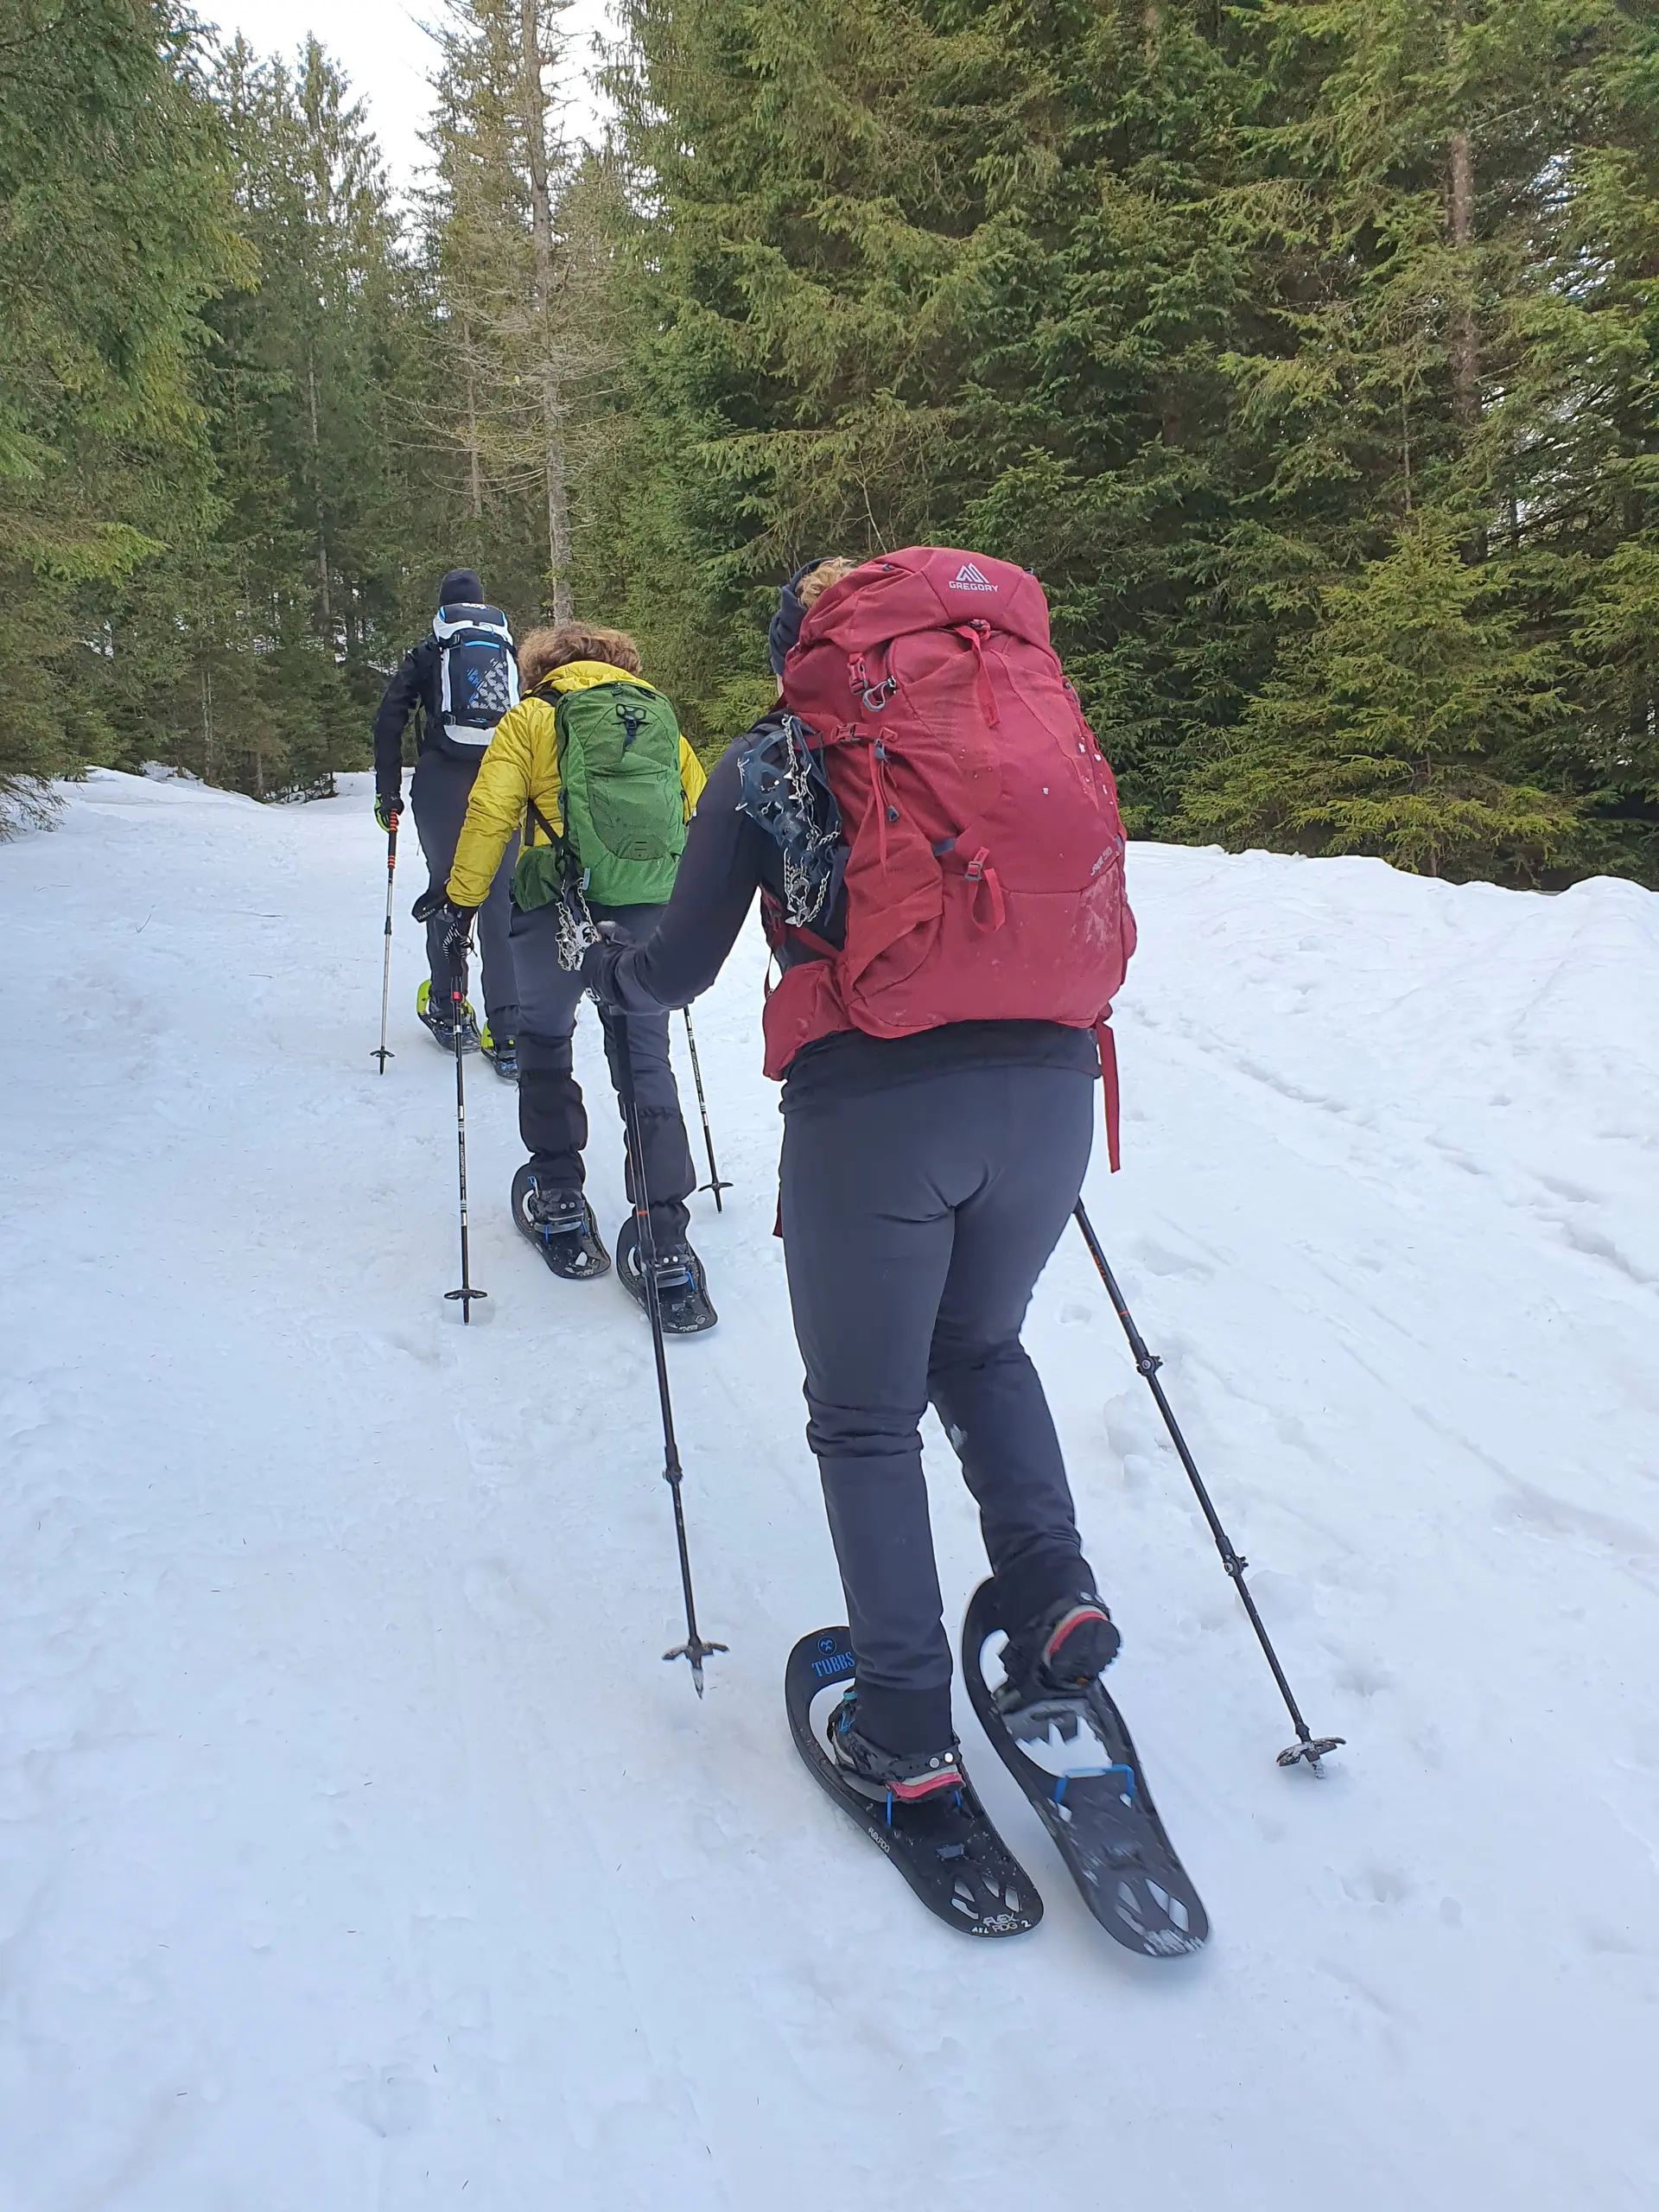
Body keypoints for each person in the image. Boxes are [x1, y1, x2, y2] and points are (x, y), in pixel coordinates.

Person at [579, 549, 1135, 1804]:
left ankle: (903, 1725)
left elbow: (676, 971)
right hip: (1051, 1086)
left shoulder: (773, 757)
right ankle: (1053, 1593)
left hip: (878, 1106)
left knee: (866, 1415)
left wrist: (608, 977)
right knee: (981, 1349)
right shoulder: (1008, 717)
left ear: (802, 655)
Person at [428, 620, 717, 1333]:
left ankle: (558, 1195)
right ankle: (665, 1238)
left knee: (544, 1043)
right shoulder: (656, 717)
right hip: (649, 913)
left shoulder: (530, 718)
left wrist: (459, 905)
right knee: (646, 1064)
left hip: (555, 908)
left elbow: (490, 814)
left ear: (540, 668)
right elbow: (701, 811)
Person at [372, 568, 522, 1077]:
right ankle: (507, 1034)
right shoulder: (508, 650)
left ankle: (449, 1006)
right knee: (502, 898)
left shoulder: (428, 652)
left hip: (441, 784)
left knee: (450, 891)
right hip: (503, 781)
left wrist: (388, 792)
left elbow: (388, 720)